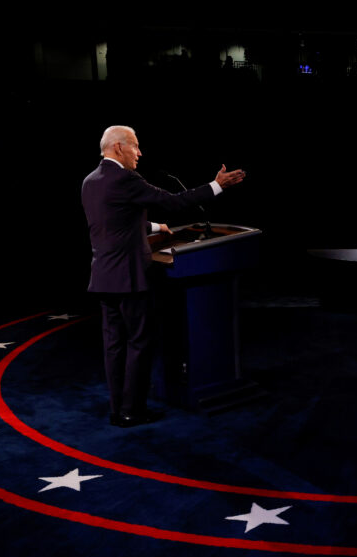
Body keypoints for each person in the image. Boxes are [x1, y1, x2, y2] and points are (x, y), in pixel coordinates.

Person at [81, 125, 246, 427]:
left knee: (114, 346)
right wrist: (217, 185)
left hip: (103, 277)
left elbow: (114, 224)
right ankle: (133, 411)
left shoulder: (91, 181)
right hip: (129, 278)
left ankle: (118, 409)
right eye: (135, 146)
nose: (140, 153)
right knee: (139, 343)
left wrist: (156, 228)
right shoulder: (126, 178)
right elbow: (172, 201)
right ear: (118, 147)